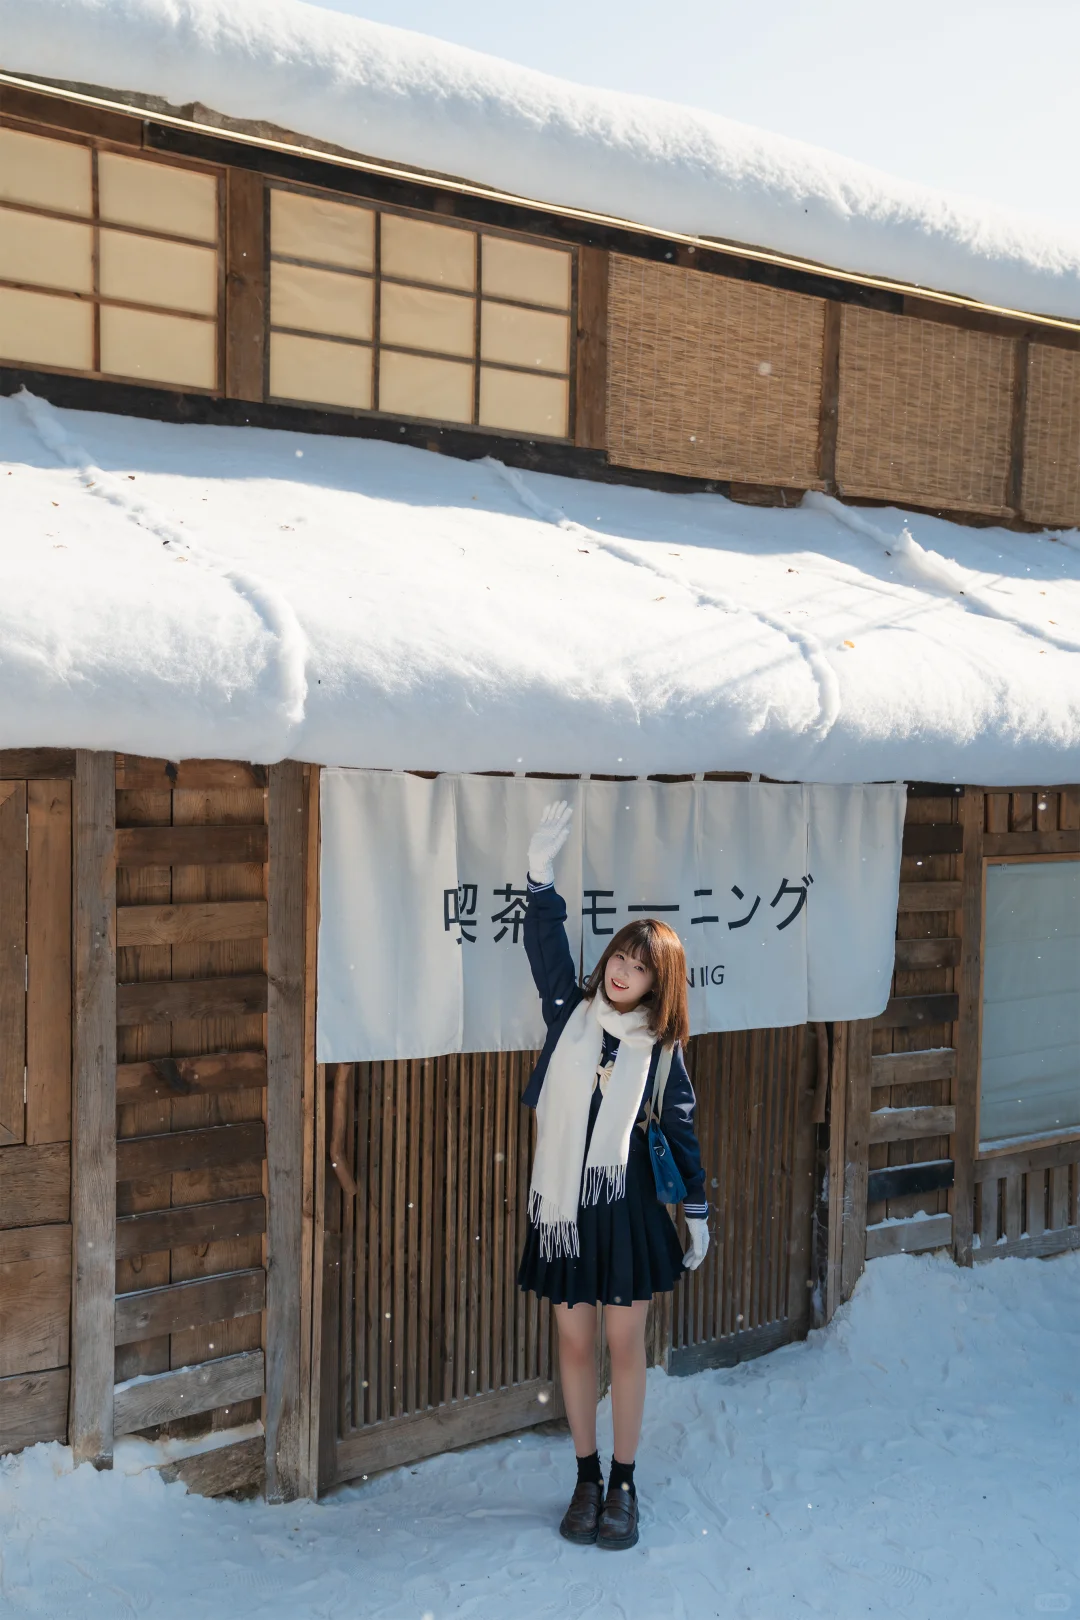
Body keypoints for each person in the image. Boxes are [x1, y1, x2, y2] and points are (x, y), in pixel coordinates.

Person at [517, 801, 710, 1551]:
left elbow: (682, 1130)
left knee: (625, 1349)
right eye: (620, 958)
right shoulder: (571, 1010)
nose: (623, 971)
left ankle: (625, 1485)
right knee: (573, 1347)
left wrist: (696, 1211)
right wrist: (540, 879)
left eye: (639, 964)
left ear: (659, 982)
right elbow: (544, 949)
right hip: (566, 1203)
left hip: (625, 1209)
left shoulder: (660, 1048)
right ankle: (585, 1477)